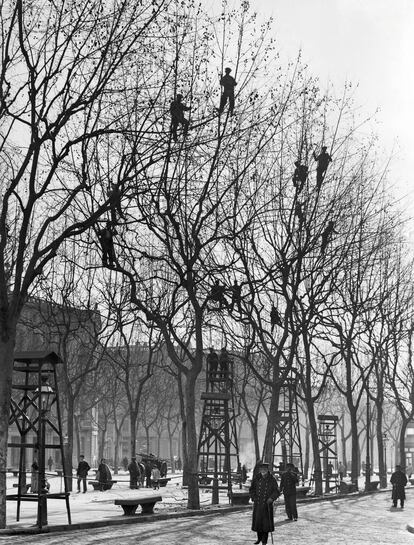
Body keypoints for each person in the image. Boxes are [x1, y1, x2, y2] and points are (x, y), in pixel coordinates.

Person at [249, 461, 280, 545]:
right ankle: (259, 539)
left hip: (267, 505)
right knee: (258, 523)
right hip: (258, 504)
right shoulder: (257, 478)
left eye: (265, 469)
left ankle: (264, 541)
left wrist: (271, 498)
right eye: (261, 469)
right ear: (259, 469)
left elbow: (276, 491)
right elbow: (251, 489)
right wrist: (254, 497)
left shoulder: (272, 479)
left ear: (267, 469)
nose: (263, 470)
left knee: (266, 525)